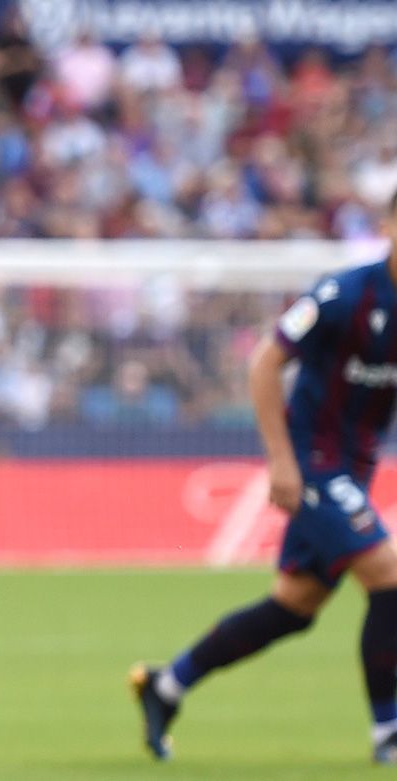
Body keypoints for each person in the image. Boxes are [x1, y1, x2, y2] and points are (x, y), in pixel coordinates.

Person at [132, 198, 397, 763]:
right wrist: (281, 461)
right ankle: (388, 732)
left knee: (295, 606)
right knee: (389, 572)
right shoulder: (344, 294)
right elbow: (265, 363)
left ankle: (167, 685)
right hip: (312, 461)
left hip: (356, 467)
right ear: (387, 228)